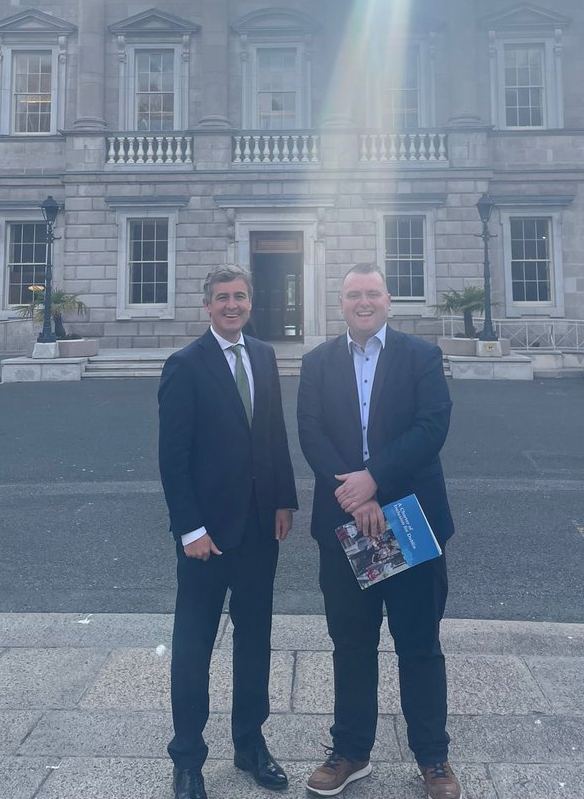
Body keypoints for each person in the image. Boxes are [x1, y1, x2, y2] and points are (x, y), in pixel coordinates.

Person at [297, 264, 459, 799]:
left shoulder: (421, 356)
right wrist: (354, 493)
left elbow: (431, 427)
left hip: (408, 518)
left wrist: (375, 482)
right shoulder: (318, 362)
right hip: (347, 522)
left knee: (419, 643)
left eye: (372, 293)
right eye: (352, 295)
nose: (362, 302)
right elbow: (312, 433)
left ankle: (433, 759)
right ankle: (350, 752)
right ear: (339, 303)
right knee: (352, 643)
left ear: (389, 300)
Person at [158, 265, 298, 799]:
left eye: (240, 296)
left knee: (255, 641)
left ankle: (250, 742)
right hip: (206, 539)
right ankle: (188, 756)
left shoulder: (262, 355)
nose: (232, 305)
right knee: (193, 646)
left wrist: (284, 499)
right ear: (207, 306)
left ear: (250, 302)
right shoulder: (185, 365)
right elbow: (173, 459)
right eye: (222, 298)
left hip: (260, 529)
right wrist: (189, 529)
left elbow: (274, 435)